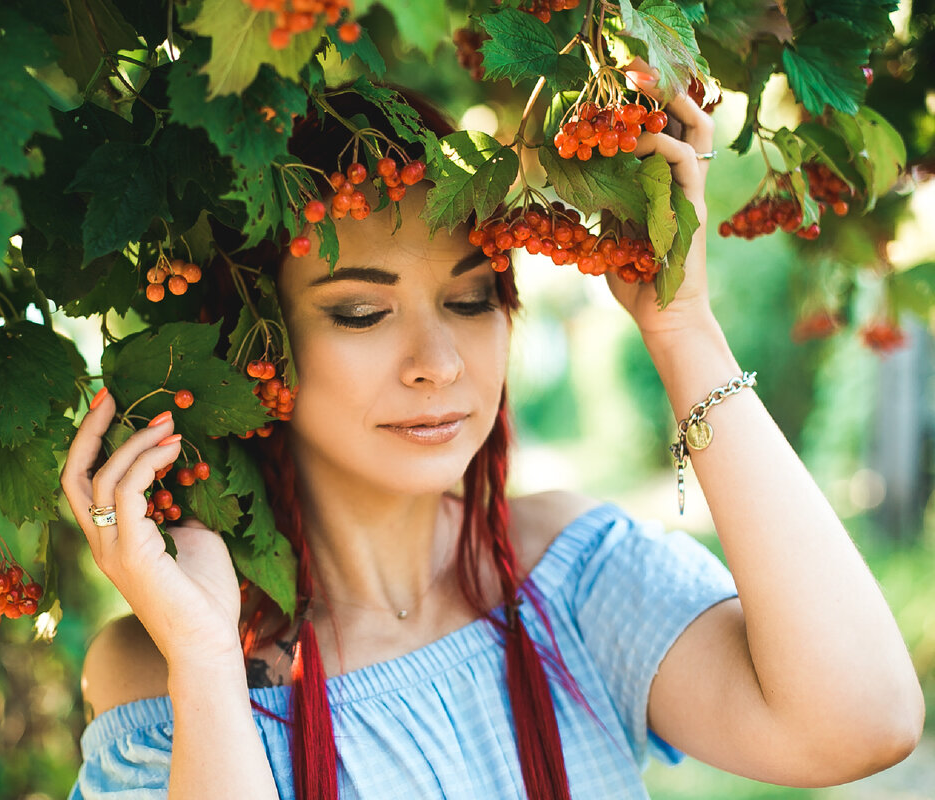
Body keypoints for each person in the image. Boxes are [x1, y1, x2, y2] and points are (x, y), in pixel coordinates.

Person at [59, 72, 924, 799]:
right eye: (360, 312)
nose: (438, 361)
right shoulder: (165, 670)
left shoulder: (571, 579)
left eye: (471, 300)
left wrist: (684, 329)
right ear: (251, 344)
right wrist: (208, 665)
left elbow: (863, 722)